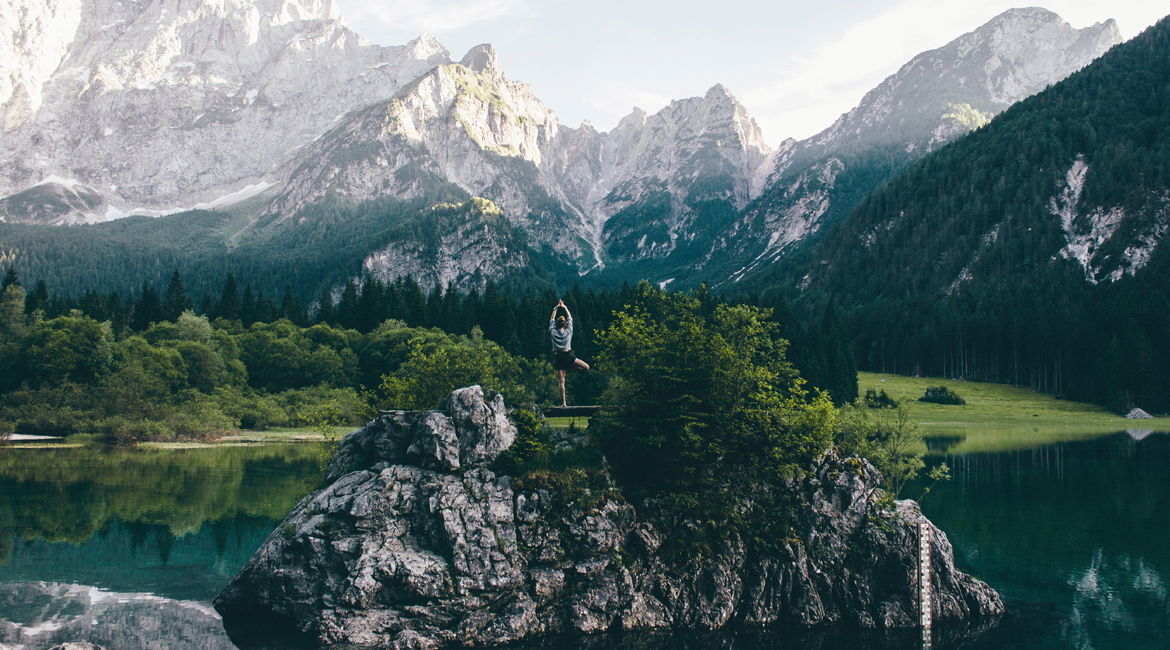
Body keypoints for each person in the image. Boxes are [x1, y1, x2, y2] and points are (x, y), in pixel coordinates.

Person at [549, 299, 589, 407]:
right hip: (568, 356)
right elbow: (570, 318)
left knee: (562, 382)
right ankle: (570, 368)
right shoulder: (568, 331)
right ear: (565, 324)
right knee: (586, 367)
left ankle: (564, 403)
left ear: (556, 324)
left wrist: (556, 308)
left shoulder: (553, 331)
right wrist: (565, 307)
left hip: (558, 357)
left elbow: (552, 319)